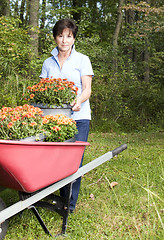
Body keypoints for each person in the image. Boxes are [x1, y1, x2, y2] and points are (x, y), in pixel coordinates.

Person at [40, 18, 94, 212]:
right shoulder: (48, 62)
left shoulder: (82, 60)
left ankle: (69, 205)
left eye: (68, 36)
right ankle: (57, 197)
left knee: (73, 162)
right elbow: (41, 90)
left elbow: (87, 89)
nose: (64, 40)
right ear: (55, 37)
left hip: (78, 118)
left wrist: (78, 101)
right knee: (55, 160)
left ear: (73, 39)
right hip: (54, 120)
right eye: (60, 35)